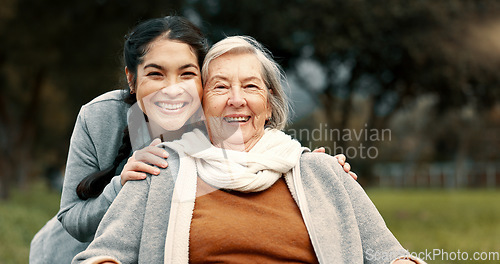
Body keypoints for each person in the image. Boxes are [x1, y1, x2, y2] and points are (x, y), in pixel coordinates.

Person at [72, 36, 425, 264]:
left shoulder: (323, 172)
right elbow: (104, 255)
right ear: (200, 105)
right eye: (220, 87)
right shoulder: (161, 171)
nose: (236, 99)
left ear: (269, 104)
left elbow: (392, 257)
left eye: (251, 86)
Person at [30, 16, 354, 263]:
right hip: (74, 251)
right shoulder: (100, 117)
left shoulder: (215, 118)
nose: (173, 89)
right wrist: (120, 184)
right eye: (156, 74)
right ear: (132, 78)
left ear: (203, 79)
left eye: (186, 74)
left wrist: (312, 167)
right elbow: (72, 219)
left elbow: (262, 146)